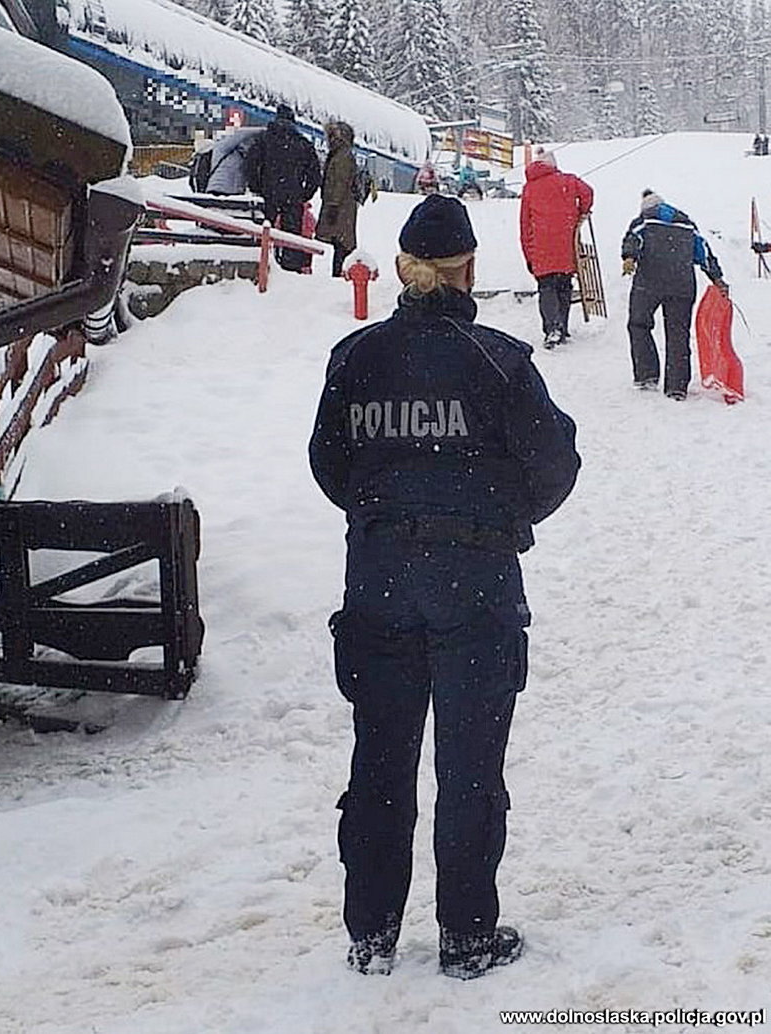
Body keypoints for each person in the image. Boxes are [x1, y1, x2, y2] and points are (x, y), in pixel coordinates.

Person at [308, 195, 581, 980]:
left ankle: (372, 935)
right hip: (476, 585)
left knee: (381, 762)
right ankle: (466, 936)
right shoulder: (498, 360)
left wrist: (387, 514)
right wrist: (493, 516)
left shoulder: (356, 359)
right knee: (469, 768)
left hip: (380, 585)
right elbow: (555, 467)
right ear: (467, 268)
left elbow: (330, 466)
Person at [621, 188, 728, 399]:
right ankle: (677, 387)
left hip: (649, 282)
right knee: (678, 334)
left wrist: (629, 258)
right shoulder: (687, 225)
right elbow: (703, 253)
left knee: (639, 324)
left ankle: (647, 375)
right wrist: (717, 279)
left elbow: (632, 240)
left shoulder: (644, 220)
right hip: (682, 284)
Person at [519, 148, 593, 349]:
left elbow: (525, 225)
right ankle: (563, 325)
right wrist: (581, 213)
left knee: (547, 287)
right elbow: (588, 193)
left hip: (541, 248)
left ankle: (553, 328)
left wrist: (528, 254)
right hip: (566, 244)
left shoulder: (530, 188)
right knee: (564, 285)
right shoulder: (568, 181)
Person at [244, 103, 321, 272]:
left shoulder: (263, 140)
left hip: (268, 194)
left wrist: (258, 188)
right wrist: (303, 195)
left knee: (265, 232)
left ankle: (264, 267)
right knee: (291, 237)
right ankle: (290, 270)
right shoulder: (303, 143)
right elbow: (315, 175)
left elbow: (250, 166)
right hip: (293, 197)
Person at [315, 121, 358, 278]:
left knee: (342, 242)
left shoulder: (342, 156)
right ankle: (340, 272)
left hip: (340, 206)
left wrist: (333, 204)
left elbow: (340, 181)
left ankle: (340, 274)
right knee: (341, 241)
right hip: (343, 205)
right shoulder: (342, 154)